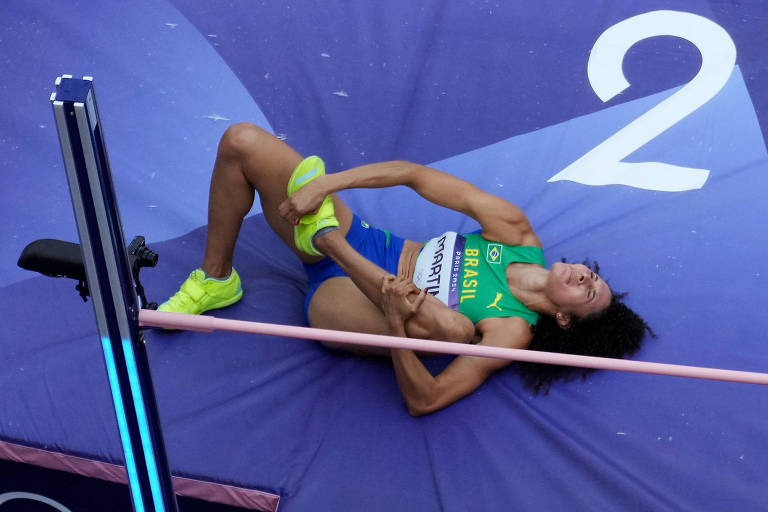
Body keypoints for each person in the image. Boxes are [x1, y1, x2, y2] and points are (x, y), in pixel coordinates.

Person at [159, 123, 653, 415]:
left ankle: (324, 238)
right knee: (242, 140)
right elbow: (415, 175)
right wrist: (327, 185)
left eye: (589, 293)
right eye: (593, 275)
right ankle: (218, 279)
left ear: (563, 320)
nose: (586, 279)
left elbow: (427, 400)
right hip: (370, 246)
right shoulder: (515, 233)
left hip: (355, 308)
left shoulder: (511, 331)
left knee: (454, 329)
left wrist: (396, 324)